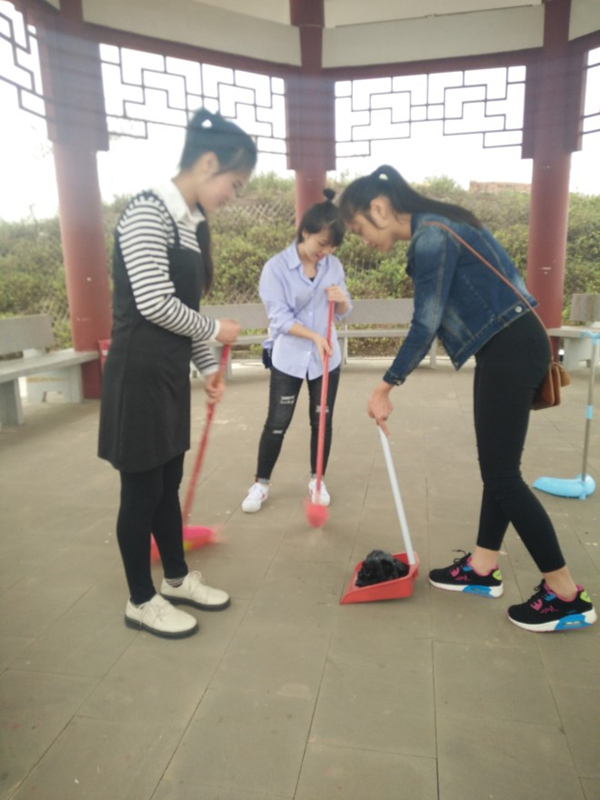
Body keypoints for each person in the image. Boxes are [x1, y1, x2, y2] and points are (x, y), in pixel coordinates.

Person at [338, 165, 597, 633]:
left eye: (359, 229)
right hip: (510, 345)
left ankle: (565, 595)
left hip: (508, 349)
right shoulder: (446, 223)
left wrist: (385, 386)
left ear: (378, 208)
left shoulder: (431, 237)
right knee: (499, 470)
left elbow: (426, 322)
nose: (363, 240)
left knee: (503, 477)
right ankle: (481, 567)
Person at [98, 108, 257, 639]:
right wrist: (217, 330)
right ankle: (140, 600)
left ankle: (176, 578)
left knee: (167, 484)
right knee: (141, 491)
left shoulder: (190, 224)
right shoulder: (149, 211)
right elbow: (152, 303)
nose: (232, 196)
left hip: (167, 377)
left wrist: (208, 366)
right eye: (234, 183)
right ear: (208, 162)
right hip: (138, 375)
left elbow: (183, 311)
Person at [241, 189, 352, 513]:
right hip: (289, 358)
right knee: (277, 422)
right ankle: (261, 484)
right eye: (322, 243)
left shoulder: (333, 266)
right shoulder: (276, 268)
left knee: (322, 421)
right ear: (305, 232)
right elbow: (279, 319)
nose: (325, 252)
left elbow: (344, 311)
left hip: (326, 359)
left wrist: (341, 301)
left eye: (332, 247)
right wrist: (313, 336)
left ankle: (317, 481)